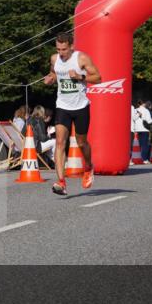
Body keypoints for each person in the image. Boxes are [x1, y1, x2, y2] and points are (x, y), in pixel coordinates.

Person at [42, 32, 101, 195]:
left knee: (82, 143)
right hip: (62, 106)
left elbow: (98, 77)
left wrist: (81, 76)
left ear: (71, 47)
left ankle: (88, 167)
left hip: (81, 106)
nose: (61, 53)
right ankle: (61, 182)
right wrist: (50, 79)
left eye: (64, 49)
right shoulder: (54, 59)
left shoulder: (81, 58)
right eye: (58, 49)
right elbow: (54, 73)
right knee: (60, 142)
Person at [132, 99, 152, 163]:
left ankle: (137, 157)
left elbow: (134, 118)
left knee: (138, 145)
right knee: (145, 145)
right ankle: (144, 159)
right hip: (144, 129)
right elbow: (149, 120)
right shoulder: (146, 110)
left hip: (136, 129)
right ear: (143, 104)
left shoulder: (135, 110)